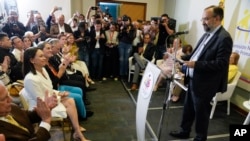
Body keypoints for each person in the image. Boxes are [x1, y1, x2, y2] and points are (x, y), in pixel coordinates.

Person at [169, 5, 233, 141]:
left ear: (217, 19)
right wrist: (182, 58)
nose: (202, 22)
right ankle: (184, 131)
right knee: (188, 109)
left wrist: (196, 65)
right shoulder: (206, 34)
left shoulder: (224, 38)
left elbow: (221, 64)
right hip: (193, 79)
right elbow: (196, 54)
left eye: (205, 19)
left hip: (205, 83)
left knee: (201, 113)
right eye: (202, 19)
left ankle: (200, 137)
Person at [22, 47, 90, 141]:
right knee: (70, 101)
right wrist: (58, 96)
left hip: (50, 100)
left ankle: (77, 131)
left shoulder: (43, 70)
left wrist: (59, 93)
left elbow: (49, 89)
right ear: (32, 60)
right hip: (40, 108)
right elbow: (41, 100)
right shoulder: (30, 78)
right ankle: (78, 132)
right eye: (41, 56)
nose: (44, 58)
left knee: (70, 100)